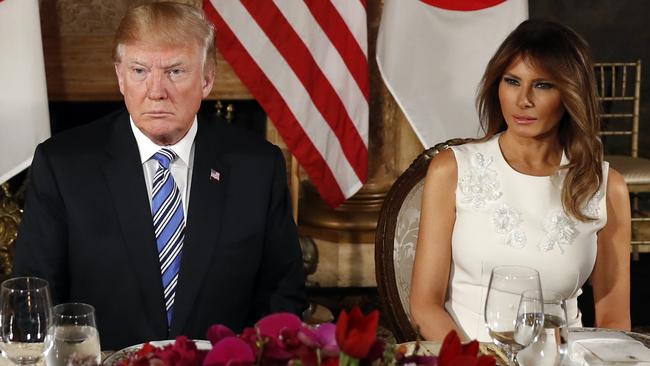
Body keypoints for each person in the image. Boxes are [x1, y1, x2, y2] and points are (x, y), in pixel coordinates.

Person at [13, 2, 307, 350]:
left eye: (175, 71)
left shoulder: (257, 167)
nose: (156, 91)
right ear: (120, 76)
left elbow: (283, 293)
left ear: (207, 78)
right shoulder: (62, 165)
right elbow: (34, 299)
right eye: (139, 71)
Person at [410, 19, 631, 342]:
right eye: (512, 81)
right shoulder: (453, 170)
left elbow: (613, 318)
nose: (523, 99)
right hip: (468, 358)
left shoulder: (606, 187)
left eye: (542, 85)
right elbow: (425, 305)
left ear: (570, 94)